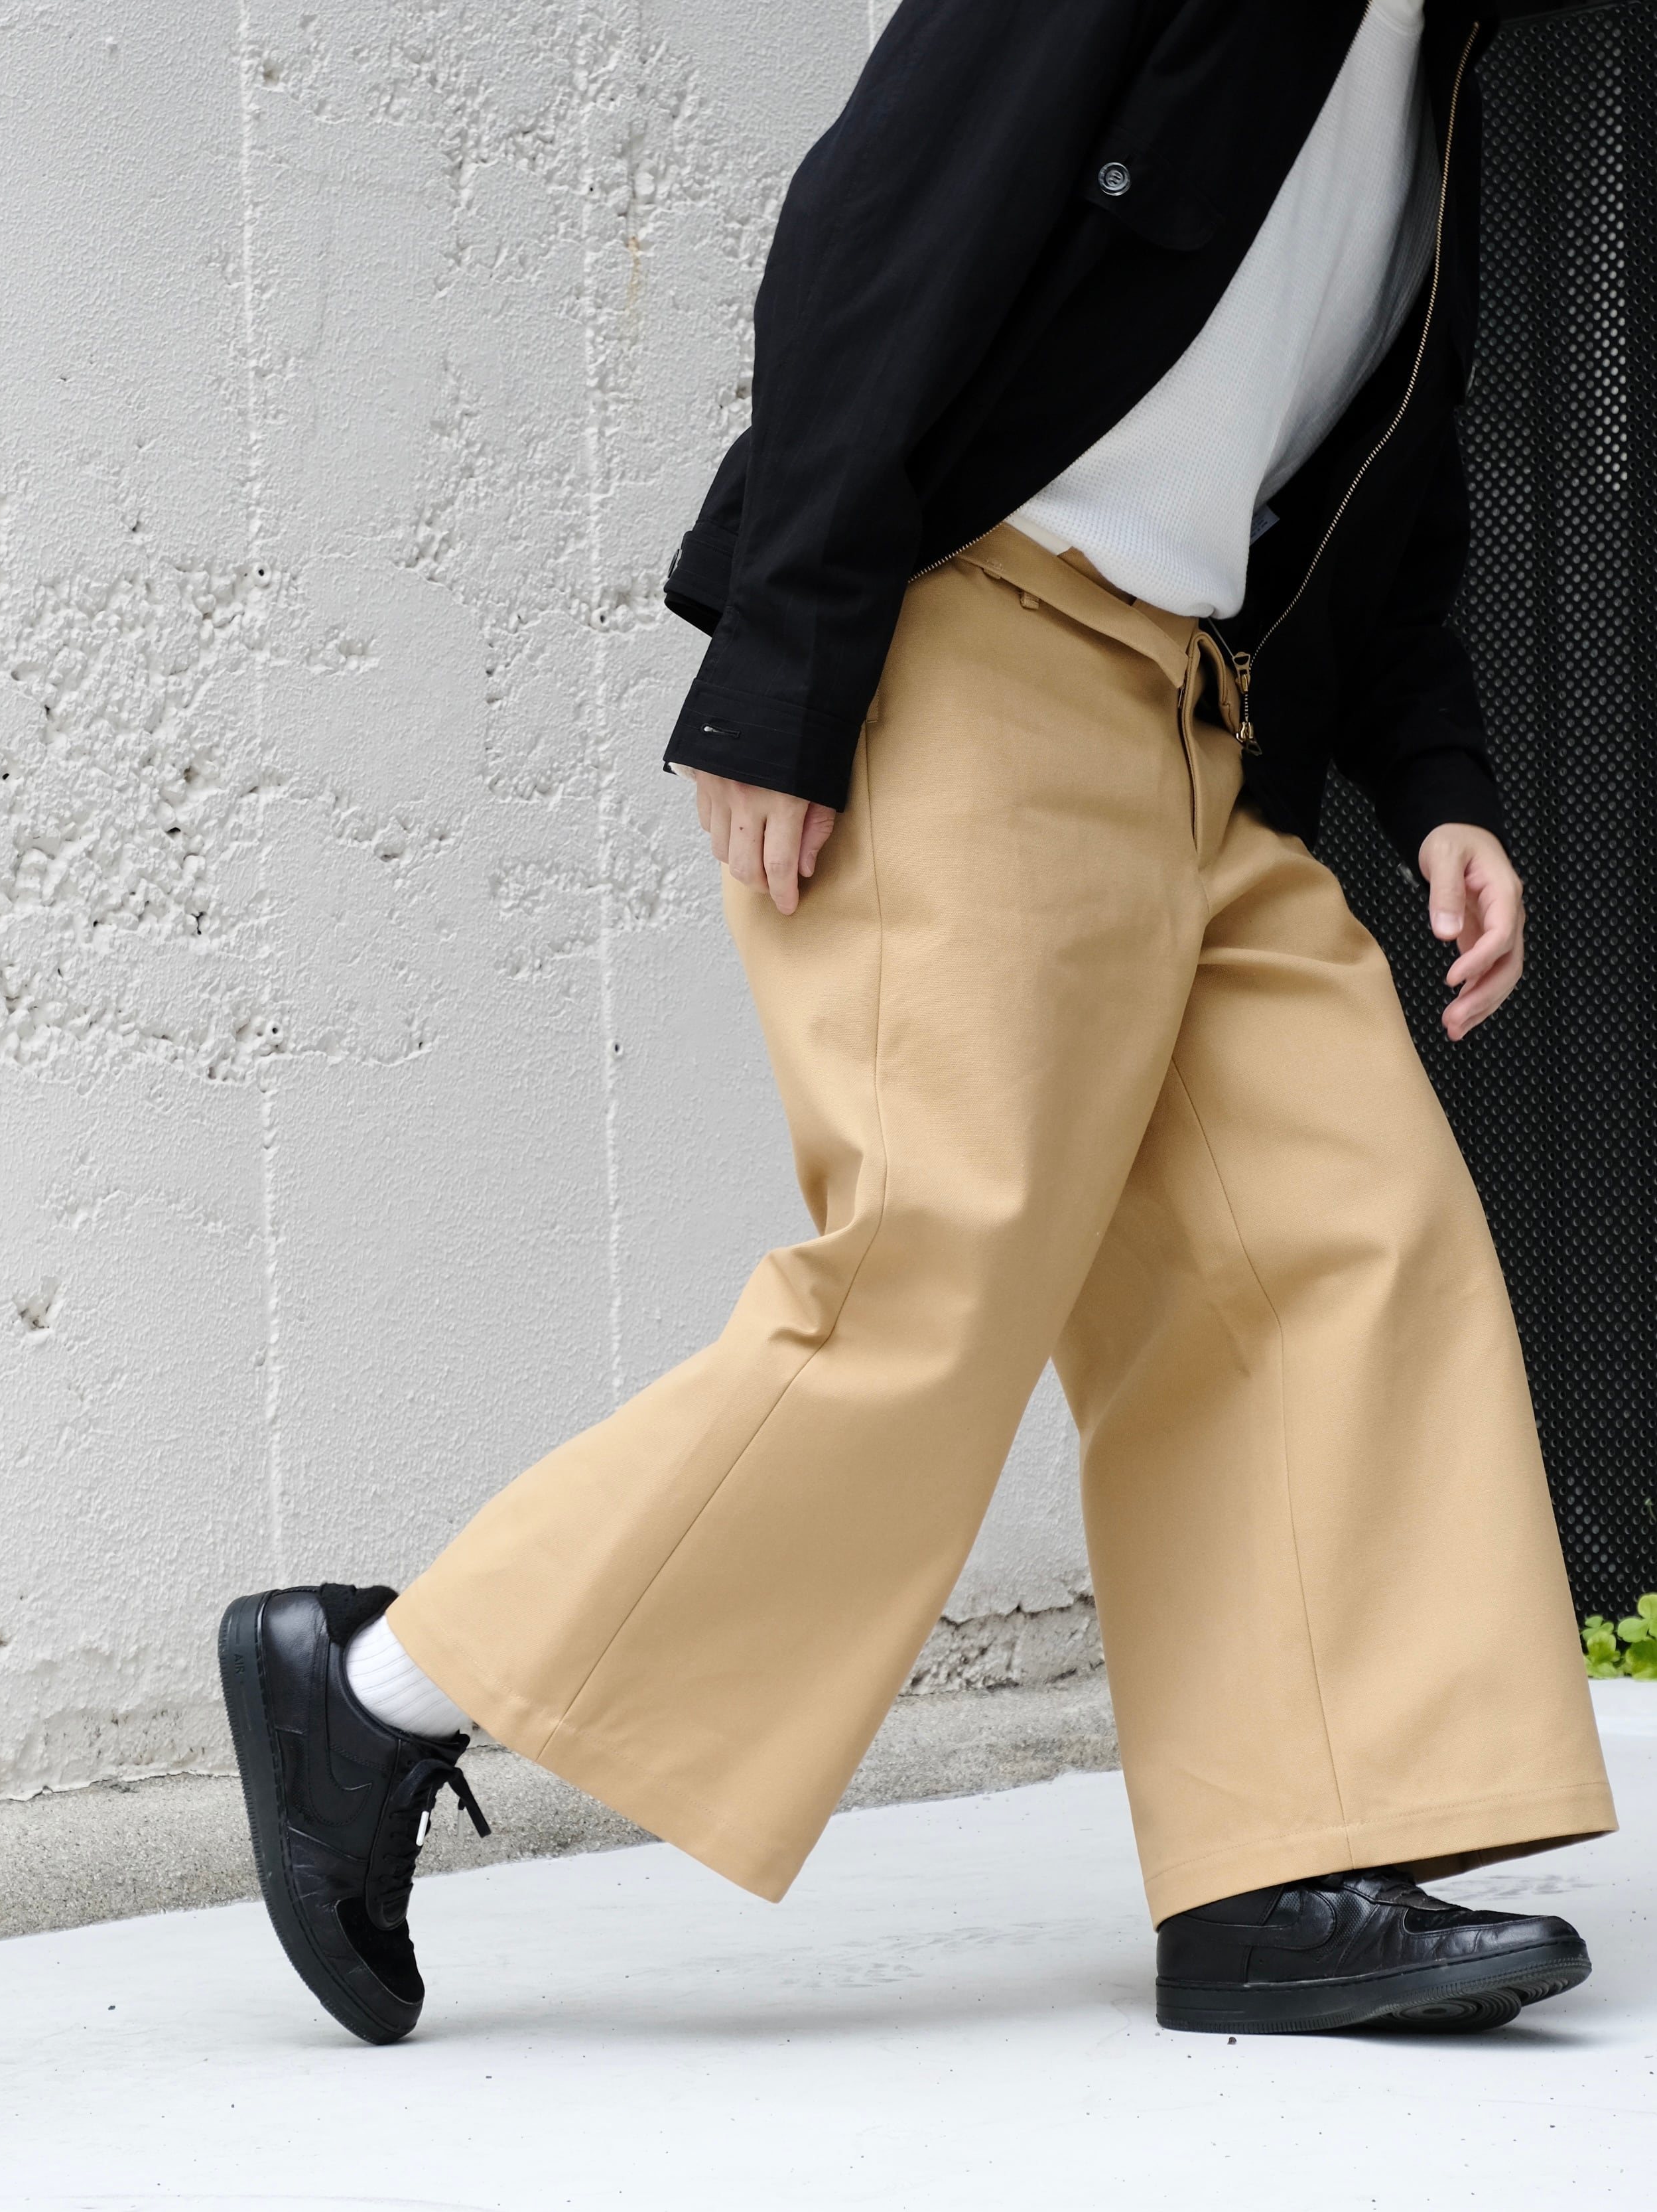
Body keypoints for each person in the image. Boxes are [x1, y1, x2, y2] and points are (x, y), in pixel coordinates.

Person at [219, 0, 1617, 2047]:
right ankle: (371, 1693)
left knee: (1347, 1226)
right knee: (935, 1271)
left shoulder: (1437, 80)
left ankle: (1287, 1870)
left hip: (1194, 716)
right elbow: (874, 227)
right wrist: (788, 663)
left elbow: (1379, 499)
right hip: (970, 646)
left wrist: (1443, 790)